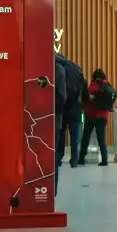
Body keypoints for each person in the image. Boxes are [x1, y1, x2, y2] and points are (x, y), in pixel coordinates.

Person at [78, 69, 114, 167]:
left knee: (86, 137)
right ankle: (105, 159)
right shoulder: (108, 85)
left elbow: (87, 99)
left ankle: (81, 158)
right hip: (104, 116)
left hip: (91, 115)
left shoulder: (94, 85)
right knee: (101, 138)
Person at [54, 59, 66, 195]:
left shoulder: (57, 68)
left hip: (52, 116)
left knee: (51, 152)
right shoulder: (60, 67)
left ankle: (52, 190)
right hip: (57, 116)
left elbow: (61, 97)